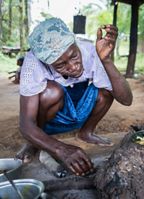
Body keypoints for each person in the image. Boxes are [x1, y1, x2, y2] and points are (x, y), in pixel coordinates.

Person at [16, 18, 133, 176]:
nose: (73, 66)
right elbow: (26, 124)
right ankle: (35, 141)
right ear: (46, 62)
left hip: (80, 102)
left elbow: (126, 100)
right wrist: (60, 149)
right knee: (51, 92)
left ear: (75, 43)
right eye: (60, 65)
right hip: (53, 113)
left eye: (73, 56)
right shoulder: (33, 63)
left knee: (106, 89)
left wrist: (106, 61)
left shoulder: (90, 50)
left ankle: (86, 132)